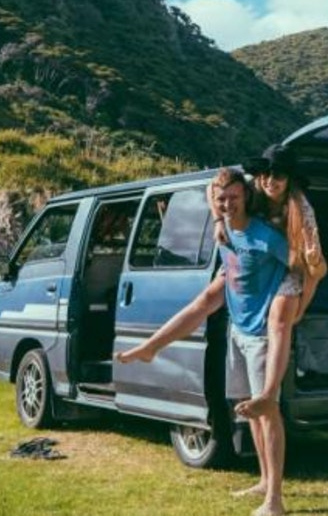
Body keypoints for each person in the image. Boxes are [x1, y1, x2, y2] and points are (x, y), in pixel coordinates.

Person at [114, 167, 291, 516]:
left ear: (245, 197)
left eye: (234, 198)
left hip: (261, 335)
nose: (227, 204)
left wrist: (291, 306)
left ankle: (275, 500)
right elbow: (218, 289)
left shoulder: (266, 237)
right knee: (249, 410)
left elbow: (300, 267)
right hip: (237, 330)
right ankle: (264, 480)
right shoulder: (225, 236)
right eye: (222, 199)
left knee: (267, 412)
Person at [231, 144, 327, 421]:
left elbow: (314, 270)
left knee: (280, 320)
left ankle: (268, 394)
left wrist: (302, 308)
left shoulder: (302, 209)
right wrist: (216, 221)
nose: (271, 181)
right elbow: (216, 190)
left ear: (290, 180)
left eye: (279, 176)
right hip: (256, 269)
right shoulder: (250, 192)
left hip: (294, 267)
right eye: (266, 174)